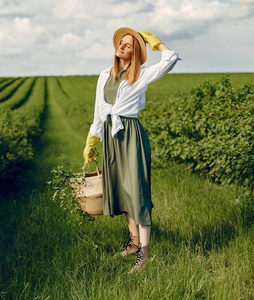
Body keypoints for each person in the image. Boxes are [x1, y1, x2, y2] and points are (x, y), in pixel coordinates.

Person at [83, 27, 180, 274]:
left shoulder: (142, 73)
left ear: (136, 51)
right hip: (111, 137)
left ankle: (143, 254)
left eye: (129, 45)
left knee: (137, 192)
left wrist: (156, 43)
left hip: (131, 136)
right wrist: (91, 142)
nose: (123, 46)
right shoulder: (105, 75)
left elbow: (170, 60)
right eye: (121, 43)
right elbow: (98, 112)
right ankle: (133, 241)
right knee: (122, 191)